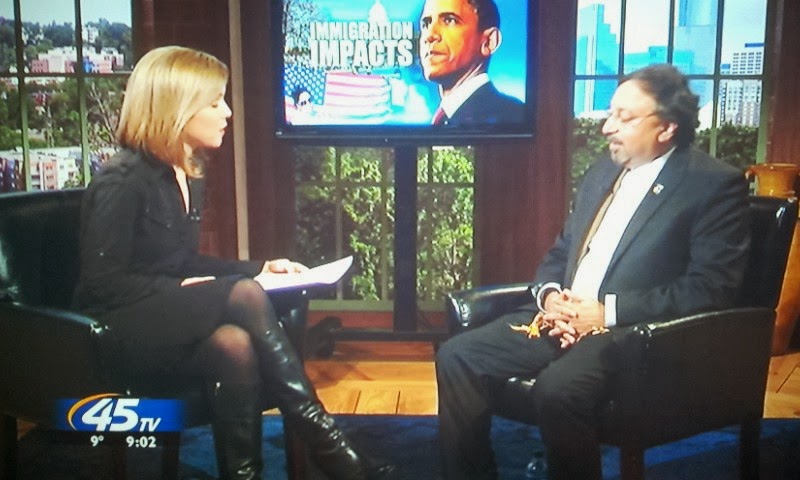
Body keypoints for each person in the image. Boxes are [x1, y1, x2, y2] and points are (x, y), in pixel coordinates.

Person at [72, 46, 394, 480]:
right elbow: (100, 284)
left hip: (164, 316)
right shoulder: (121, 180)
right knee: (243, 295)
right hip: (113, 330)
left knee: (233, 344)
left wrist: (260, 268)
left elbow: (181, 261)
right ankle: (329, 446)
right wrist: (183, 288)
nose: (227, 112)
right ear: (176, 108)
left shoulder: (185, 173)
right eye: (214, 103)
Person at [435, 64, 751, 479]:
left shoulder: (712, 185)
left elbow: (711, 288)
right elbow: (562, 251)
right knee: (458, 355)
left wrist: (606, 313)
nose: (607, 127)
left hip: (634, 336)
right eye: (610, 113)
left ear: (666, 128)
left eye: (625, 117)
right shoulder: (603, 170)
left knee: (559, 390)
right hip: (560, 318)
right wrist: (551, 297)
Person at [419, 0, 524, 125]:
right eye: (426, 24)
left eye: (449, 20)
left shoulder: (510, 117)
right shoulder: (446, 117)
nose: (430, 35)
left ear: (489, 42)